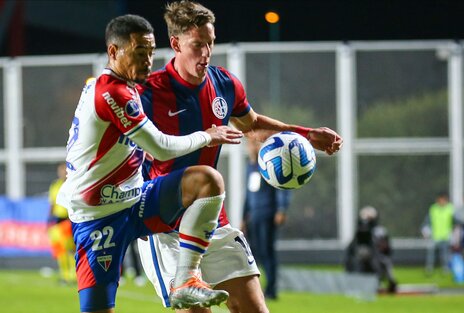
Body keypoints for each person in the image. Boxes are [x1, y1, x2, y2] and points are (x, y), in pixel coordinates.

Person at [136, 2, 343, 313]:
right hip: (166, 229)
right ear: (176, 44)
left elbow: (253, 126)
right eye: (197, 45)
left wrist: (306, 134)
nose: (206, 53)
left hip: (211, 221)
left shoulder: (225, 84)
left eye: (210, 43)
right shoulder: (148, 93)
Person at [56, 14, 244, 313]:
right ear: (114, 52)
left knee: (207, 181)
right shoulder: (112, 92)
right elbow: (160, 146)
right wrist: (207, 137)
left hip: (134, 202)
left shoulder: (122, 87)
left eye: (151, 52)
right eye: (139, 52)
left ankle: (186, 280)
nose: (147, 60)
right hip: (98, 218)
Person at [242, 138, 291, 300]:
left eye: (255, 144)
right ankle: (256, 289)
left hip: (267, 213)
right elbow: (248, 195)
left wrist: (281, 209)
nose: (252, 147)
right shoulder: (250, 167)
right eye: (250, 144)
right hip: (253, 216)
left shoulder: (269, 164)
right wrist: (244, 216)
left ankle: (271, 289)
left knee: (267, 252)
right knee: (254, 253)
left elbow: (281, 187)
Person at [344, 206, 397, 293]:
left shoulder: (380, 231)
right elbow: (352, 248)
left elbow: (387, 248)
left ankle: (389, 281)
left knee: (384, 262)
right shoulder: (359, 232)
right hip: (363, 257)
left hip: (378, 257)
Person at [47, 162, 76, 285]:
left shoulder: (72, 184)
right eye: (60, 171)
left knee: (70, 249)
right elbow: (52, 204)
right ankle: (64, 275)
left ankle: (73, 275)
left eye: (64, 170)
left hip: (68, 219)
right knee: (60, 250)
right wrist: (49, 221)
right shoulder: (55, 185)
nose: (62, 173)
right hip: (57, 220)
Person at [421, 192, 455, 274]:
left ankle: (446, 268)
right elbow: (427, 221)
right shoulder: (433, 209)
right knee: (431, 253)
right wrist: (425, 230)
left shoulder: (450, 208)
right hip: (435, 235)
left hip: (445, 235)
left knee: (445, 253)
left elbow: (455, 221)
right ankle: (429, 268)